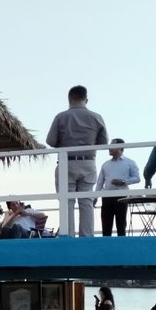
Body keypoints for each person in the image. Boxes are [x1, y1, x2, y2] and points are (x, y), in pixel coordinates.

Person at [46, 85, 108, 238]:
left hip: (66, 162)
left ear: (69, 99)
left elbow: (51, 141)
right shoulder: (97, 117)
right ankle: (87, 237)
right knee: (86, 201)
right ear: (86, 100)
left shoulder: (61, 117)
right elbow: (103, 142)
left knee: (67, 202)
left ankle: (68, 236)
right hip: (88, 162)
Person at [95, 139, 140, 236]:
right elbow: (100, 182)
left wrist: (124, 182)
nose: (109, 148)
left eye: (111, 146)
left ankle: (122, 244)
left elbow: (137, 178)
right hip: (107, 197)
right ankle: (106, 245)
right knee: (106, 226)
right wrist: (95, 197)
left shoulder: (130, 162)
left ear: (119, 147)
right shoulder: (105, 164)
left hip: (122, 197)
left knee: (121, 225)